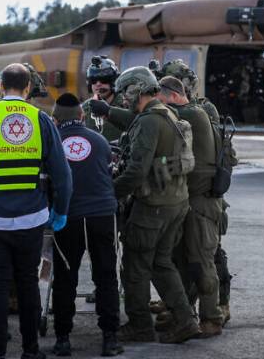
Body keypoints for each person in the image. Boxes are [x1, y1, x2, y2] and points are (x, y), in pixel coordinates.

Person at [0, 63, 73, 359]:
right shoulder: (42, 120)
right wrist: (60, 211)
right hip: (32, 218)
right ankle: (31, 350)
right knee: (27, 283)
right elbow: (63, 176)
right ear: (27, 88)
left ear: (0, 85)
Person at [111, 66, 200, 344]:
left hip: (152, 206)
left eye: (126, 92)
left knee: (135, 266)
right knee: (161, 263)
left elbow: (137, 170)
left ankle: (139, 325)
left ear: (137, 88)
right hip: (175, 202)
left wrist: (110, 192)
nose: (124, 98)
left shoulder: (149, 121)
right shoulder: (168, 114)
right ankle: (185, 320)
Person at [159, 59, 234, 325]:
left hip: (204, 201)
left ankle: (213, 314)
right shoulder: (189, 113)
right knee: (184, 259)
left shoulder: (196, 113)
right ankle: (186, 310)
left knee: (205, 261)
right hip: (189, 200)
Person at [50, 93, 123, 357]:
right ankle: (110, 337)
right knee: (105, 276)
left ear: (55, 120)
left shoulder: (52, 141)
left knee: (65, 278)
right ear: (82, 116)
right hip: (102, 215)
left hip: (68, 216)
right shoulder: (100, 140)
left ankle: (62, 338)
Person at [82, 55, 134, 142]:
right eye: (93, 80)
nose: (98, 84)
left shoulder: (128, 105)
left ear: (114, 81)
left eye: (104, 79)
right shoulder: (85, 108)